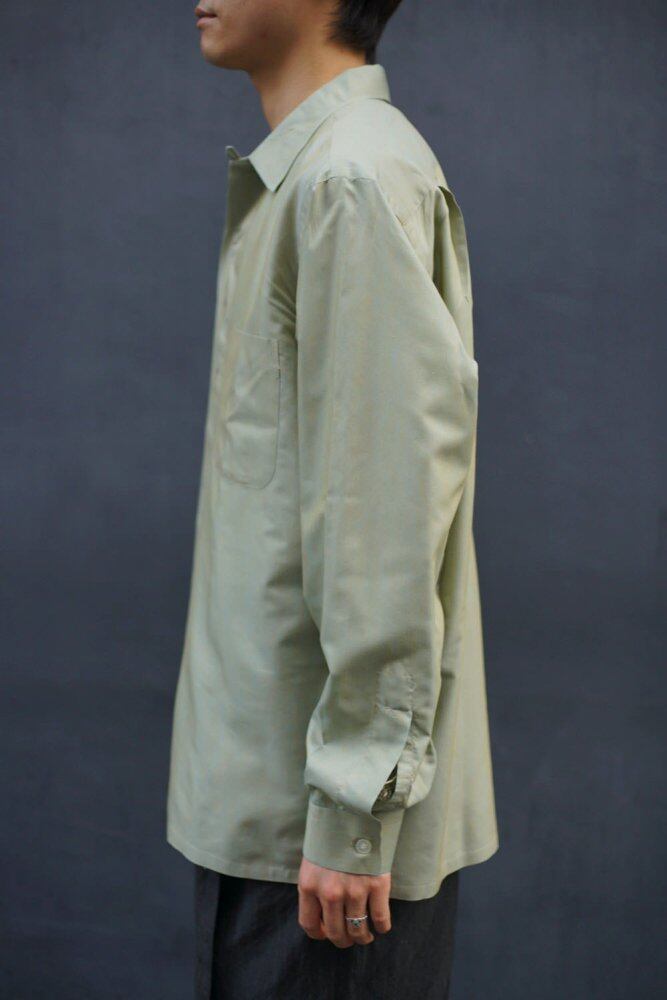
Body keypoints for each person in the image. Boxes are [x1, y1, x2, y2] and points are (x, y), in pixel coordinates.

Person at [166, 1, 499, 996]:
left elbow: (386, 509)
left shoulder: (348, 176)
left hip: (319, 844)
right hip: (282, 810)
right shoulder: (316, 173)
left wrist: (354, 806)